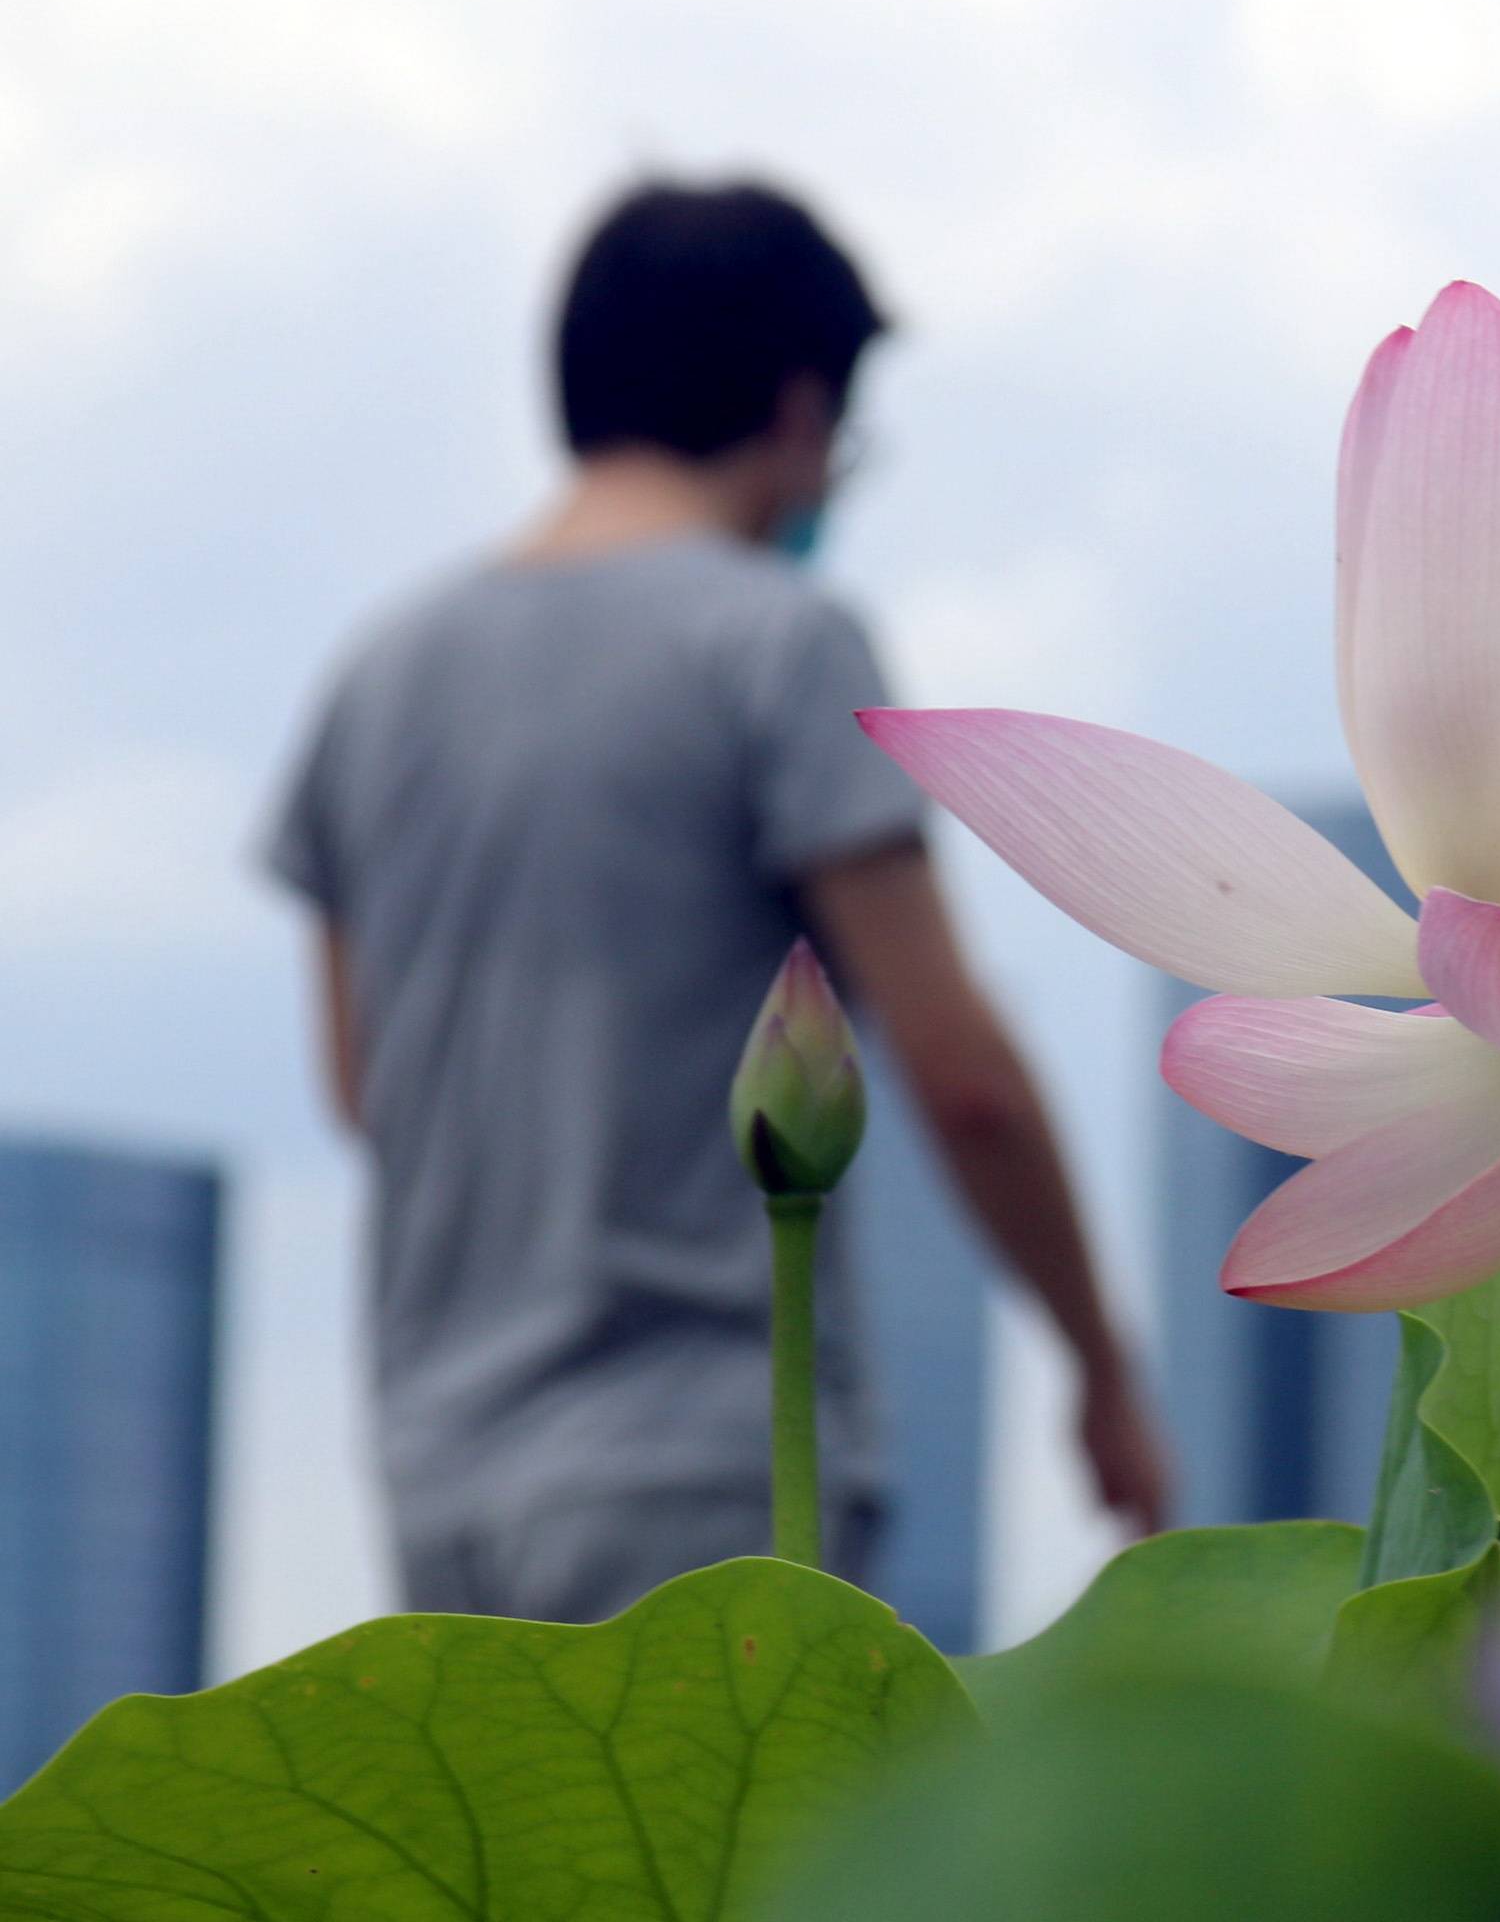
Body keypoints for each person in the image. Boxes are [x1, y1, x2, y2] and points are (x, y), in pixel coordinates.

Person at [268, 176, 1171, 1625]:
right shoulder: (777, 642)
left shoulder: (374, 679)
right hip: (709, 1468)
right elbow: (963, 1077)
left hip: (436, 1471)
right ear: (802, 414)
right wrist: (1102, 1369)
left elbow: (363, 1085)